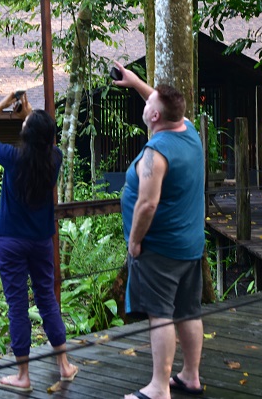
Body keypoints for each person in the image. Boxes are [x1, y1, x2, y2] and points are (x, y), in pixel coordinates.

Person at [113, 63, 206, 399]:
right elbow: (158, 99)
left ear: (154, 117)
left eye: (149, 104)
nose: (146, 102)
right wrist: (135, 81)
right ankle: (191, 376)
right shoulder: (189, 131)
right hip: (190, 244)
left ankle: (158, 387)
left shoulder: (156, 152)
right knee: (188, 311)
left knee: (161, 315)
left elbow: (147, 205)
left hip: (160, 249)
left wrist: (135, 242)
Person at [0, 91, 79, 393]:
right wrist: (30, 115)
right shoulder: (55, 159)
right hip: (40, 241)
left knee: (18, 306)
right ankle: (64, 365)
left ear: (26, 134)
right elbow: (43, 135)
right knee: (47, 299)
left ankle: (23, 376)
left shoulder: (12, 157)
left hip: (10, 241)